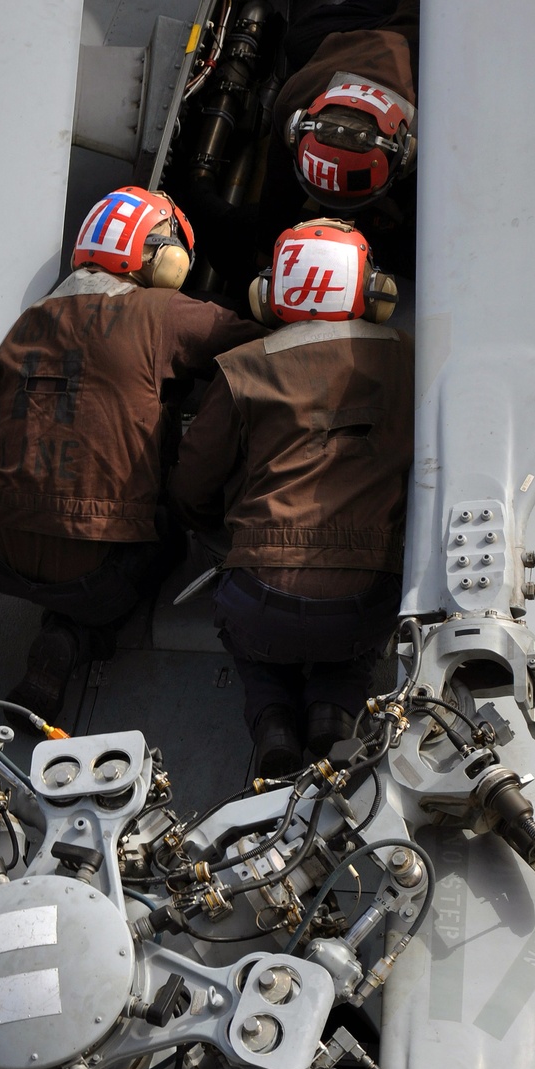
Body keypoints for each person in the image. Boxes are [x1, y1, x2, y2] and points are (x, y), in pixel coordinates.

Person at [0, 186, 260, 720]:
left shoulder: (24, 317)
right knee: (167, 537)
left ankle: (62, 627)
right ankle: (74, 635)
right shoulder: (164, 314)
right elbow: (260, 352)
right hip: (97, 569)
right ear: (162, 257)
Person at [168, 218, 414, 778]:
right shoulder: (411, 361)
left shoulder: (241, 367)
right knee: (353, 650)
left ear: (270, 292)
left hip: (262, 598)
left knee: (254, 642)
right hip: (363, 601)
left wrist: (214, 533)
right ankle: (333, 710)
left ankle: (273, 717)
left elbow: (192, 484)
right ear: (372, 291)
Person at [182, 0, 419, 286]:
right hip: (389, 24)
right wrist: (267, 249)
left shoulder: (447, 127)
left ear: (407, 154)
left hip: (428, 2)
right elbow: (279, 192)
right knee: (297, 40)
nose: (342, 219)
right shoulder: (295, 97)